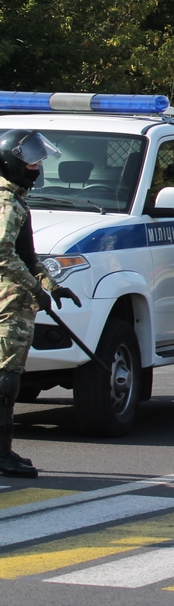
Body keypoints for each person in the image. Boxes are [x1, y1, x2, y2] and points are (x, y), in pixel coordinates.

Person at [0, 130, 79, 478]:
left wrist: (52, 285)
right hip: (7, 302)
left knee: (8, 377)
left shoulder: (16, 201)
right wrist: (35, 289)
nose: (36, 169)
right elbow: (3, 254)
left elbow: (26, 255)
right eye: (31, 162)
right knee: (5, 380)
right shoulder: (6, 204)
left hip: (17, 299)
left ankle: (4, 451)